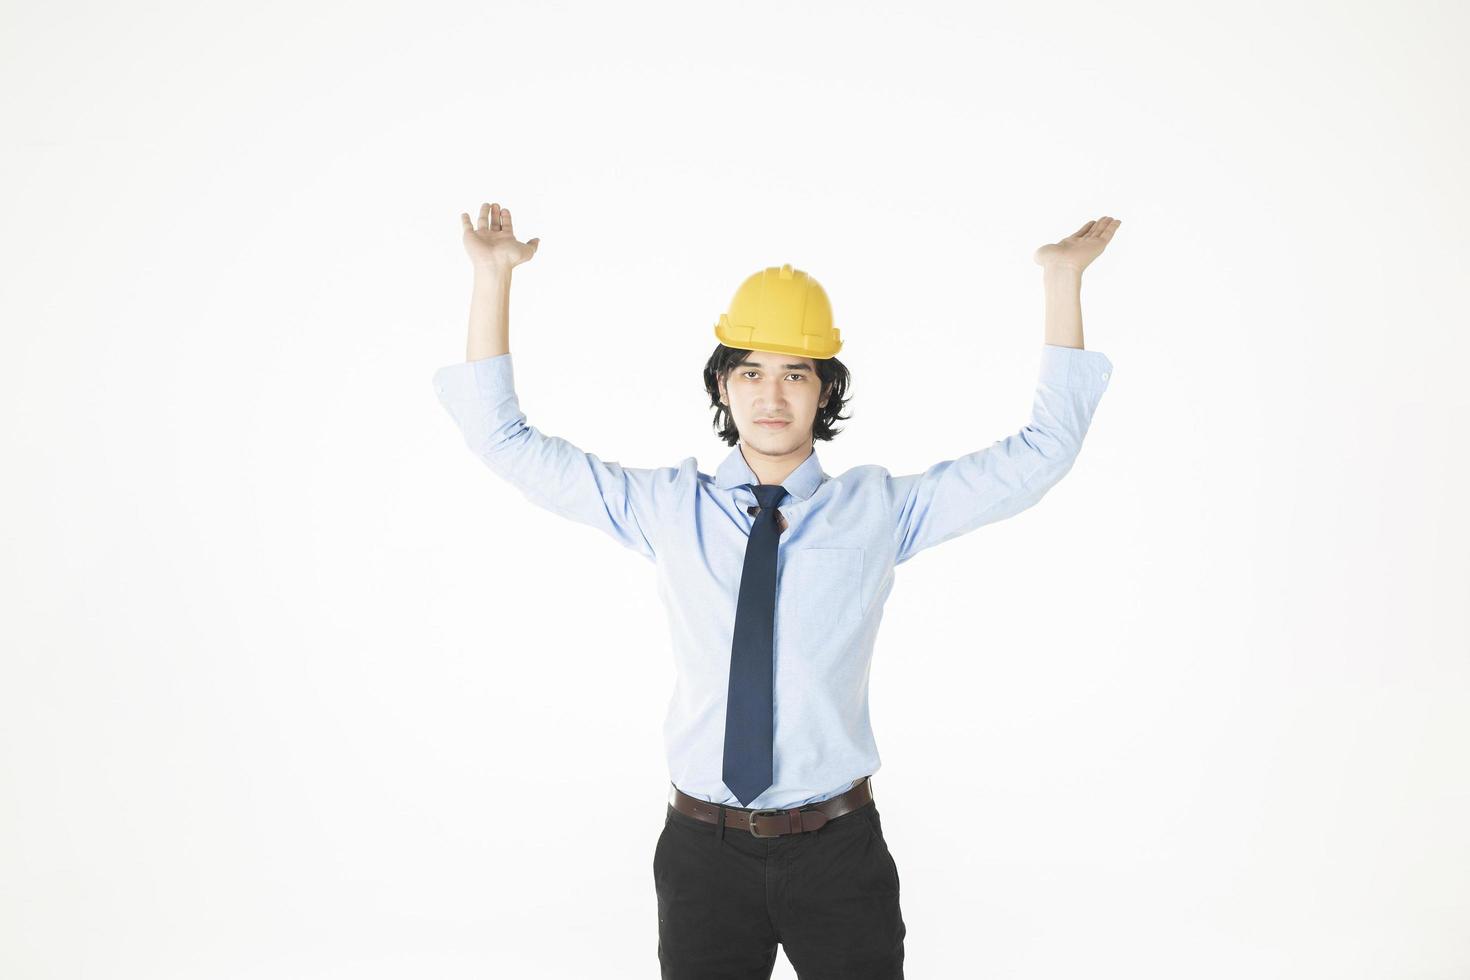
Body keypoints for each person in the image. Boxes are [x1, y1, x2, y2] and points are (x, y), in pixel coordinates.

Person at [432, 203, 1121, 980]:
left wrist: (1062, 281)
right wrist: (492, 278)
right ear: (723, 386)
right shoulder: (668, 508)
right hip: (701, 856)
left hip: (838, 852)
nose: (772, 394)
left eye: (796, 374)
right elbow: (502, 439)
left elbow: (1041, 453)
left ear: (825, 392)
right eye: (752, 371)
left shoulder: (879, 511)